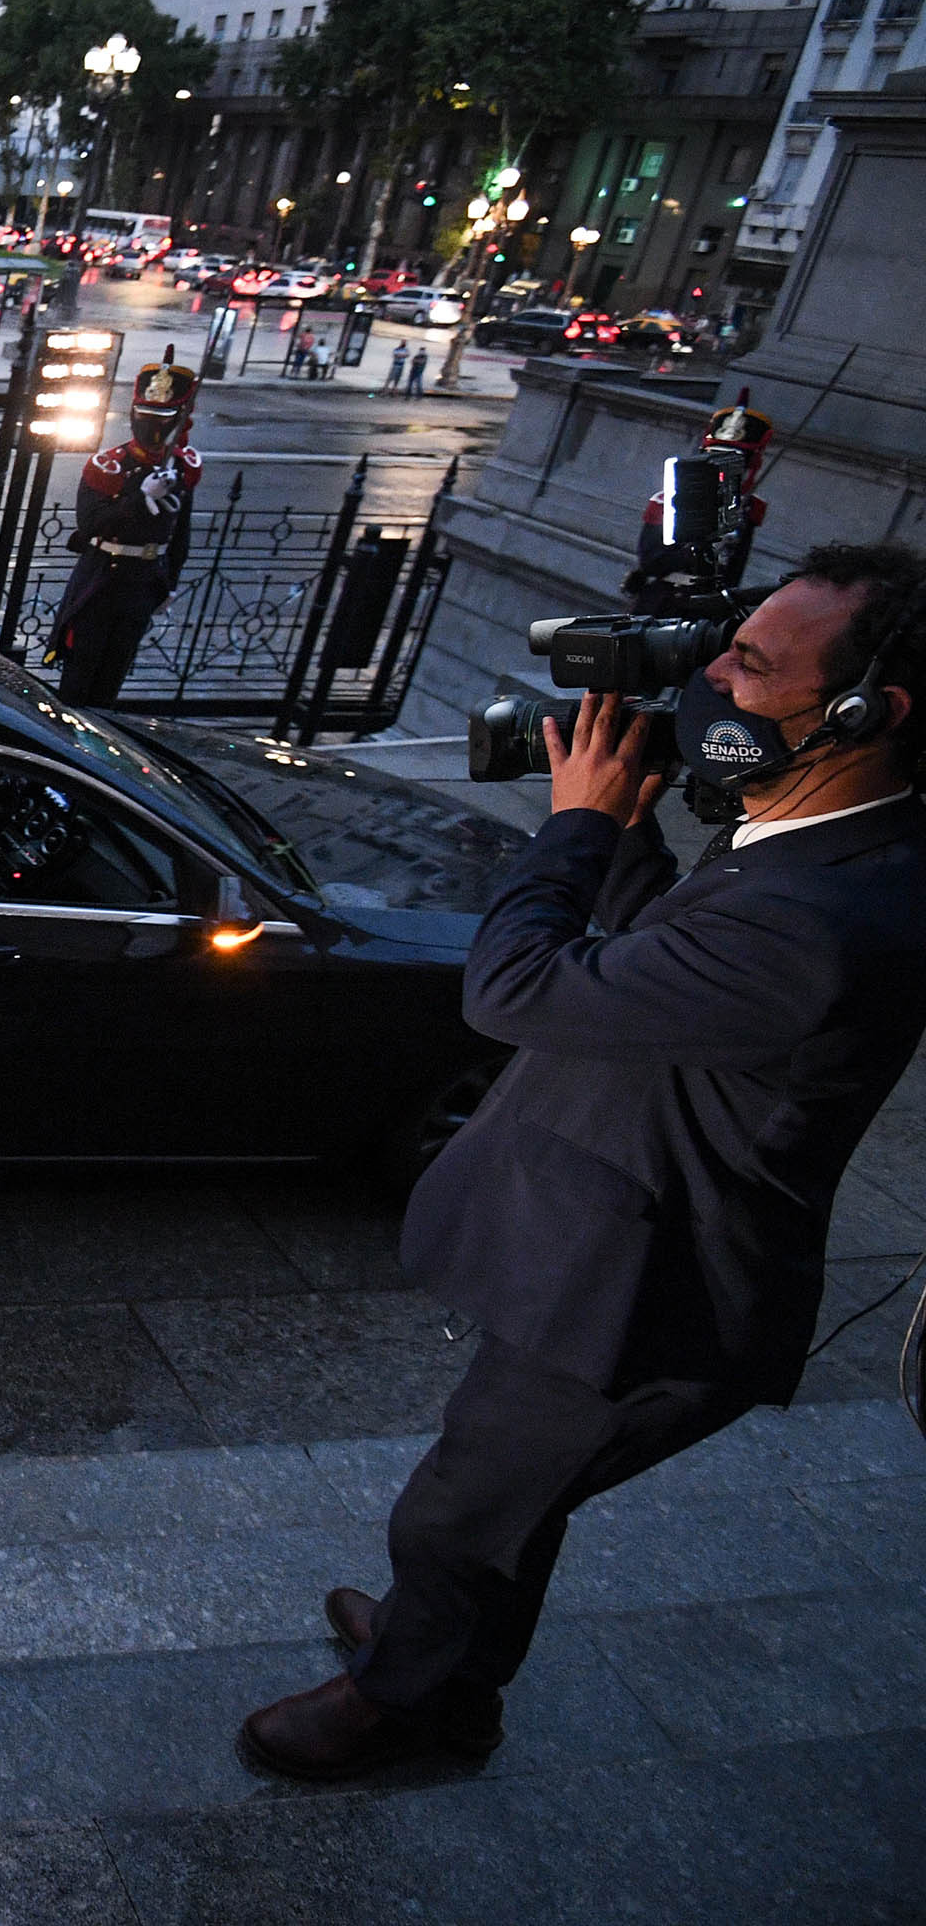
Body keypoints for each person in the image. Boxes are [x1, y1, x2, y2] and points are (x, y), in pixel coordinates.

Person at [242, 541, 926, 1782]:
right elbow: (665, 948)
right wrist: (629, 824)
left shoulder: (819, 922)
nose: (717, 675)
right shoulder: (825, 837)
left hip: (648, 1297)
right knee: (505, 1505)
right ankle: (440, 1662)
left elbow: (516, 989)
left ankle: (403, 1709)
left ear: (868, 709)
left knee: (455, 1513)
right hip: (616, 1251)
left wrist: (574, 827)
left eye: (753, 662)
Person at [46, 354, 202, 707]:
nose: (153, 427)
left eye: (164, 418)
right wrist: (139, 497)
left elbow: (178, 534)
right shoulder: (108, 466)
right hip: (102, 580)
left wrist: (169, 583)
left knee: (113, 673)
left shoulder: (182, 468)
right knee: (80, 672)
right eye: (147, 416)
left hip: (143, 583)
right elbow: (91, 525)